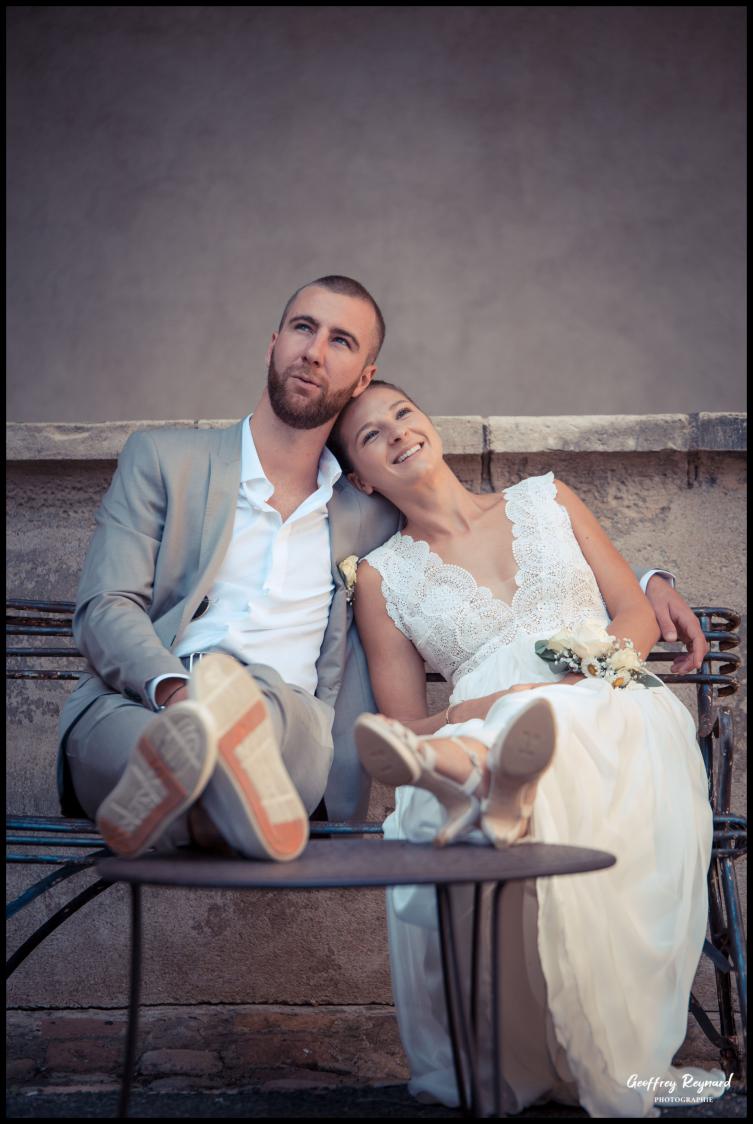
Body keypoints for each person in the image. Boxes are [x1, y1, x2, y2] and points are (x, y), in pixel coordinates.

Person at [58, 275, 708, 869]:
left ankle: (190, 797)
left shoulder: (366, 510)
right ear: (274, 343)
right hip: (145, 701)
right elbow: (105, 606)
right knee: (144, 746)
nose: (314, 352)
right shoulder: (164, 460)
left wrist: (643, 583)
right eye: (303, 328)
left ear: (362, 375)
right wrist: (180, 695)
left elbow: (480, 532)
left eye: (340, 341)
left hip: (283, 725)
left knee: (252, 716)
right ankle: (212, 798)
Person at [327, 380, 728, 1117]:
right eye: (371, 436)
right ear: (362, 479)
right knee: (499, 735)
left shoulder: (547, 498)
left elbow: (634, 612)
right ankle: (491, 776)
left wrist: (585, 675)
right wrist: (485, 707)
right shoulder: (382, 577)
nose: (397, 433)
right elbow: (406, 726)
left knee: (549, 724)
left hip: (609, 700)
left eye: (403, 414)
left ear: (428, 422)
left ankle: (489, 783)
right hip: (480, 723)